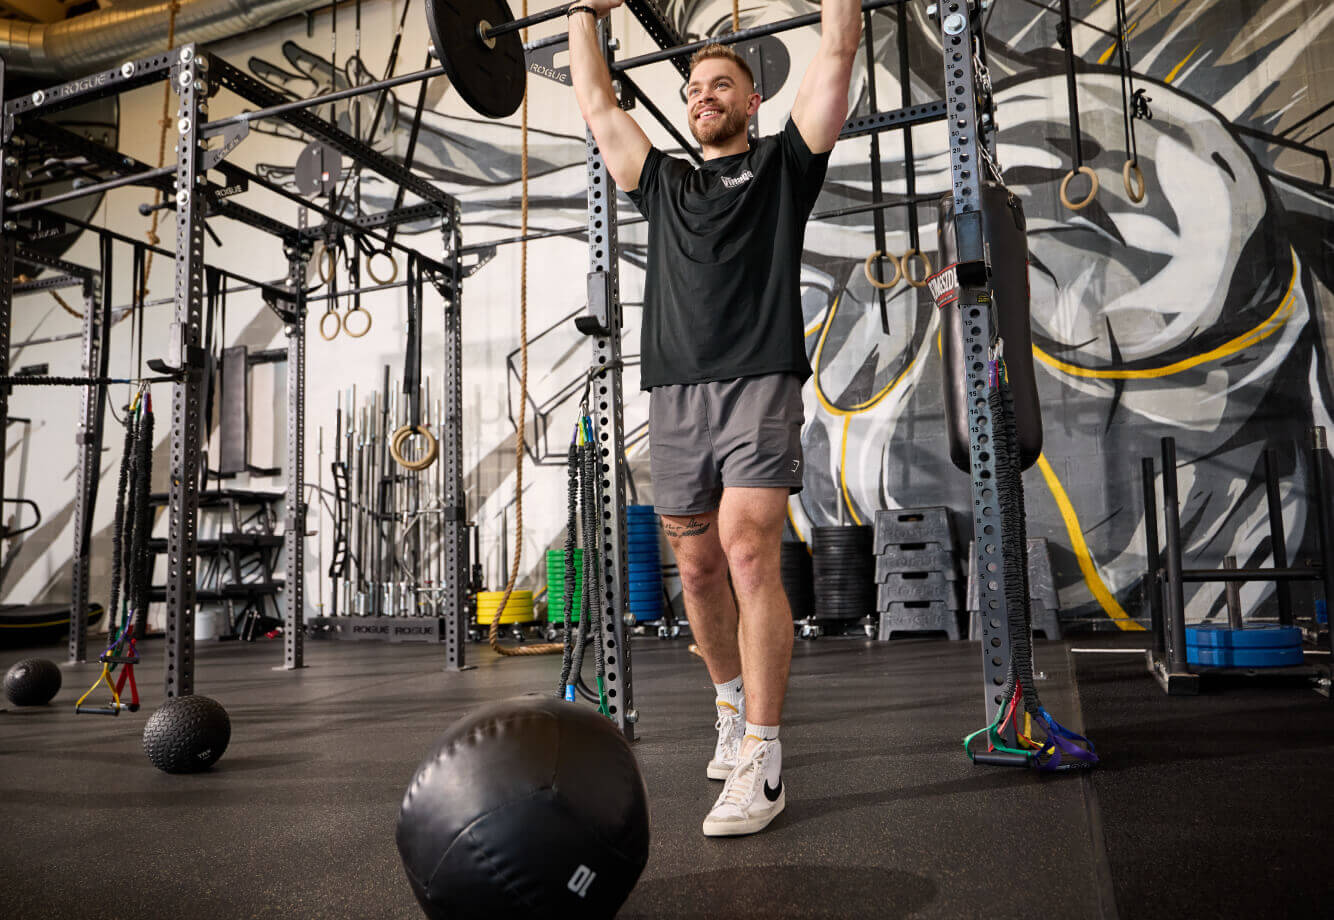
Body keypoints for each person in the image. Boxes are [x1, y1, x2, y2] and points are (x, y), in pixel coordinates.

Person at [569, 0, 861, 836]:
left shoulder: (783, 165)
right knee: (694, 571)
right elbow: (598, 104)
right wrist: (584, 13)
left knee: (745, 550)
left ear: (751, 101)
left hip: (759, 383)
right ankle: (730, 708)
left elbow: (838, 44)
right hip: (674, 397)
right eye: (694, 87)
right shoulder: (662, 184)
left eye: (721, 84)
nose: (702, 96)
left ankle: (764, 760)